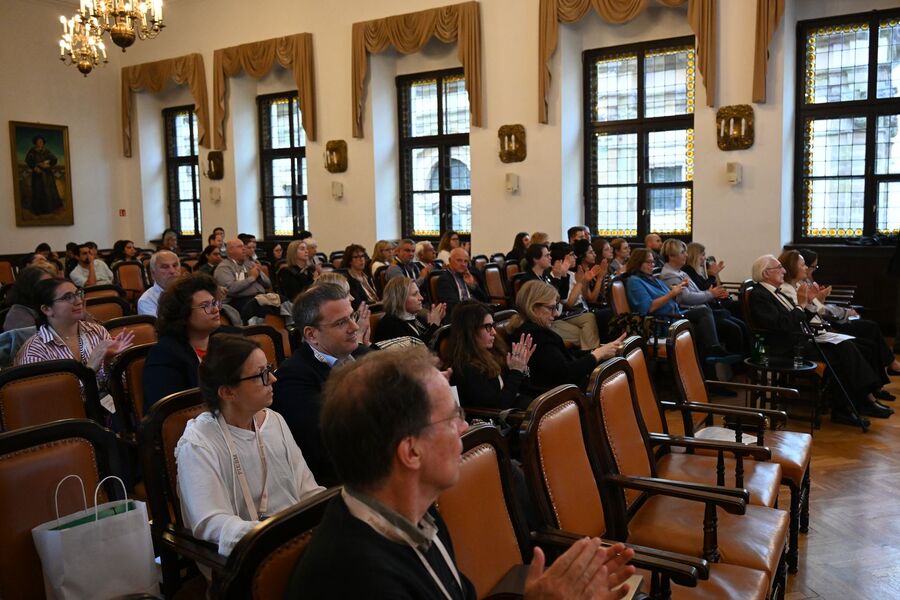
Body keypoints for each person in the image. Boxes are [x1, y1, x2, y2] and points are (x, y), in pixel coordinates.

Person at [287, 347, 636, 599]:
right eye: (452, 418)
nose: (464, 427)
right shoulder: (358, 580)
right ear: (411, 451)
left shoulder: (419, 518)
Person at [175, 334, 324, 559]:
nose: (273, 379)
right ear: (227, 392)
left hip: (296, 542)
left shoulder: (274, 421)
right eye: (261, 375)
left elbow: (307, 490)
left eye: (270, 369)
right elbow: (210, 522)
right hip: (248, 555)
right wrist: (274, 534)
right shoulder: (198, 444)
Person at [749, 255, 891, 424]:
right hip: (785, 348)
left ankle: (856, 402)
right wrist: (800, 305)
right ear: (766, 274)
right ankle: (858, 401)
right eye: (779, 268)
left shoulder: (775, 292)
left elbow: (798, 318)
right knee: (843, 353)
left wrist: (807, 304)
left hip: (798, 341)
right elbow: (781, 325)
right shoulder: (760, 295)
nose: (784, 271)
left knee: (845, 348)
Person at [271, 283, 371, 485]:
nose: (354, 327)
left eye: (352, 317)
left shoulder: (366, 355)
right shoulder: (293, 378)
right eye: (341, 323)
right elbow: (325, 448)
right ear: (311, 335)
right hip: (343, 484)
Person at [781, 249, 900, 393]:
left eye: (809, 266)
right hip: (813, 331)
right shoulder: (788, 289)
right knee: (857, 345)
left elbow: (812, 310)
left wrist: (818, 299)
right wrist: (815, 301)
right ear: (792, 267)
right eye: (804, 265)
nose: (807, 268)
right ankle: (867, 393)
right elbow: (806, 314)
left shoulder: (800, 284)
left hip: (820, 325)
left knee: (868, 342)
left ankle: (873, 390)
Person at [16, 278, 134, 395]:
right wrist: (89, 370)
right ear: (47, 309)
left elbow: (122, 388)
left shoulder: (97, 330)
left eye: (78, 293)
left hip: (108, 409)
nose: (79, 301)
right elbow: (52, 404)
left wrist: (109, 362)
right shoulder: (34, 352)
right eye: (67, 297)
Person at [509, 280, 624, 393]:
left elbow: (565, 357)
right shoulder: (537, 335)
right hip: (560, 398)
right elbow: (566, 374)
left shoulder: (529, 330)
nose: (556, 314)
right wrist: (597, 355)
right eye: (551, 308)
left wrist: (598, 351)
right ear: (533, 308)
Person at [623, 248, 736, 361]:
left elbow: (670, 295)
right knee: (705, 320)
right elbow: (647, 308)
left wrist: (679, 287)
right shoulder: (635, 281)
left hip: (675, 315)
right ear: (638, 263)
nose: (652, 265)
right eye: (648, 262)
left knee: (706, 315)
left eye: (653, 262)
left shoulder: (652, 279)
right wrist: (672, 294)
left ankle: (710, 359)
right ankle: (711, 352)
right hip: (662, 322)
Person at [143, 274, 234, 412]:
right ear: (183, 314)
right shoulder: (165, 354)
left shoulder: (230, 338)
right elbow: (169, 412)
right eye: (205, 306)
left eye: (215, 303)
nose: (216, 309)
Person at [659, 239, 748, 356]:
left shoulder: (680, 272)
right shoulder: (669, 275)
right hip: (689, 312)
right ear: (671, 256)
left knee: (740, 325)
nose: (686, 255)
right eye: (682, 252)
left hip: (700, 309)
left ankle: (742, 364)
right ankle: (729, 361)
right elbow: (686, 298)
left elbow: (697, 291)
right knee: (734, 329)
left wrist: (713, 293)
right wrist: (711, 294)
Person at [446, 301, 535, 410]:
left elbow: (524, 391)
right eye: (487, 326)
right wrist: (516, 372)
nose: (494, 332)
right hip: (501, 421)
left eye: (493, 325)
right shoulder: (466, 368)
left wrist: (523, 368)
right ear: (470, 331)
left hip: (517, 411)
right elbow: (498, 407)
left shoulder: (495, 351)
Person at [546, 242, 602, 350]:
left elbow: (586, 298)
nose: (575, 257)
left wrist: (585, 281)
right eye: (571, 255)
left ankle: (593, 355)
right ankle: (594, 356)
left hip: (574, 312)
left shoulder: (570, 275)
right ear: (562, 259)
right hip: (559, 316)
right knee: (588, 323)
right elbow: (568, 303)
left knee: (590, 322)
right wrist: (580, 282)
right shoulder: (552, 277)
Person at [373, 277, 445, 345]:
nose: (421, 298)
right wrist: (434, 325)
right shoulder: (390, 325)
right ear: (400, 299)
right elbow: (417, 351)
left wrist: (432, 324)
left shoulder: (415, 317)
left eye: (419, 293)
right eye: (415, 294)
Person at [215, 239, 272, 321]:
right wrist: (252, 278)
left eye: (244, 246)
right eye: (240, 246)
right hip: (238, 300)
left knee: (279, 300)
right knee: (260, 305)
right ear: (230, 250)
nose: (244, 249)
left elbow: (268, 284)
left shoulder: (250, 263)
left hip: (260, 296)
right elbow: (230, 289)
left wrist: (259, 274)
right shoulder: (224, 267)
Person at [435, 248, 488, 316]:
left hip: (475, 312)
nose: (463, 264)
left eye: (465, 261)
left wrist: (473, 285)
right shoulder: (444, 280)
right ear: (450, 260)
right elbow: (453, 306)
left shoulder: (469, 275)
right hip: (460, 316)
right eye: (459, 260)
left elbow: (485, 299)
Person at [1, 266, 54, 330]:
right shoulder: (18, 315)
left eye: (51, 284)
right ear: (28, 287)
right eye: (44, 285)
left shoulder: (47, 305)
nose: (50, 289)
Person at [25, 136, 63, 215]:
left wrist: (48, 164)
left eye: (41, 141)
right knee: (38, 190)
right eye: (38, 141)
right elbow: (28, 160)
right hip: (37, 174)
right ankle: (39, 210)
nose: (40, 143)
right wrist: (35, 166)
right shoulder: (32, 151)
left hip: (47, 174)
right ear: (35, 142)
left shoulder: (46, 151)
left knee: (49, 190)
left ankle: (50, 208)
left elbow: (54, 159)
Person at [137, 250, 181, 316]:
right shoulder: (147, 301)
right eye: (165, 267)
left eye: (175, 265)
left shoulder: (191, 291)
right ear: (153, 274)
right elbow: (160, 326)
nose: (172, 271)